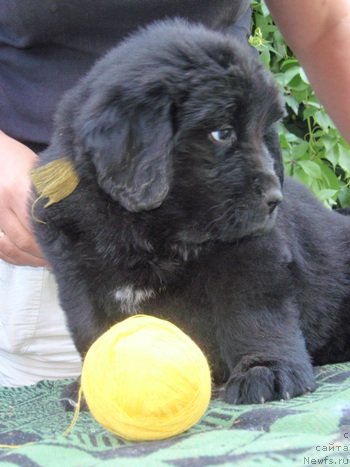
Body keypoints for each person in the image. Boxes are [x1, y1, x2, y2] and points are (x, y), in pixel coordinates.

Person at [1, 0, 349, 386]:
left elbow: (329, 24)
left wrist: (264, 351)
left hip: (281, 310)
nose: (270, 185)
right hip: (37, 280)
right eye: (222, 135)